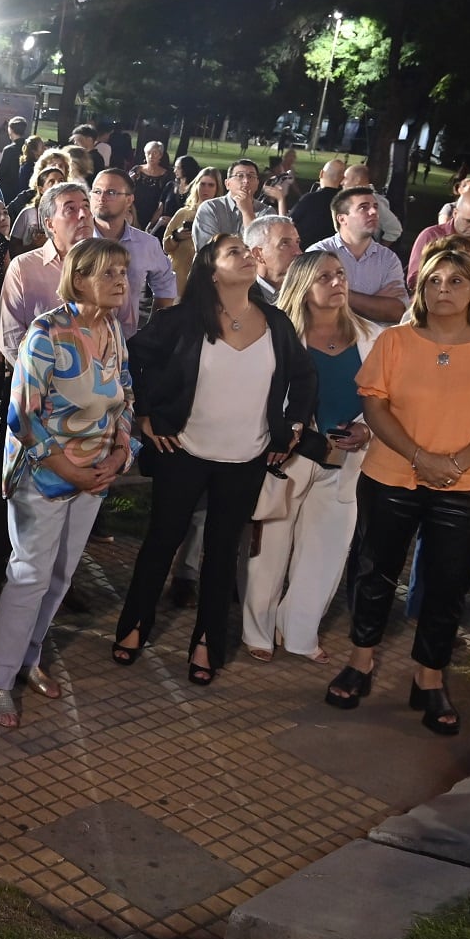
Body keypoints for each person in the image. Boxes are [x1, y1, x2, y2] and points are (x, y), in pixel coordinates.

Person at [325, 242, 470, 734]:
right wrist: (421, 458)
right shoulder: (395, 342)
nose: (444, 289)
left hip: (466, 482)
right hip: (391, 475)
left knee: (448, 583)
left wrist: (456, 462)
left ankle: (430, 675)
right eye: (435, 280)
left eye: (456, 281)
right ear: (421, 287)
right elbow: (375, 407)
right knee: (374, 573)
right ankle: (361, 661)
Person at [113, 233, 317, 684]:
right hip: (183, 451)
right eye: (234, 253)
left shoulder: (276, 322)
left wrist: (294, 428)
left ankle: (208, 642)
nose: (247, 257)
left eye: (248, 251)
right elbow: (132, 357)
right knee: (162, 541)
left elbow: (304, 378)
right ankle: (134, 626)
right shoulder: (182, 319)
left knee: (222, 552)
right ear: (210, 269)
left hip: (246, 457)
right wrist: (145, 414)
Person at [0, 236, 135, 727]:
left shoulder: (113, 329)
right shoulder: (47, 332)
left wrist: (120, 454)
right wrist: (66, 468)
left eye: (123, 273)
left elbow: (125, 397)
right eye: (109, 273)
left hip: (94, 473)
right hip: (43, 476)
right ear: (80, 277)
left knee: (62, 574)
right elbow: (21, 418)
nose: (120, 282)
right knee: (29, 574)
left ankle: (30, 659)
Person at [242, 252, 379, 663]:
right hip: (289, 457)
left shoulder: (372, 336)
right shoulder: (275, 334)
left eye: (340, 275)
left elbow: (386, 398)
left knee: (327, 549)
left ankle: (300, 632)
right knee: (271, 547)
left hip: (346, 459)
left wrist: (367, 428)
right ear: (302, 284)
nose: (336, 282)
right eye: (324, 277)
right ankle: (259, 631)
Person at [89, 170, 177, 338]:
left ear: (129, 200)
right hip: (76, 341)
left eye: (111, 192)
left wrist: (153, 331)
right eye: (97, 191)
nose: (102, 198)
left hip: (125, 343)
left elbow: (165, 287)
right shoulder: (76, 241)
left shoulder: (146, 244)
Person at [307, 186, 409, 324]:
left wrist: (340, 295)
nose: (373, 212)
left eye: (375, 207)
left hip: (375, 344)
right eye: (363, 207)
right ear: (342, 219)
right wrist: (375, 303)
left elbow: (397, 312)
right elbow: (312, 306)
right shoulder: (317, 254)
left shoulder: (388, 259)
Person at [406, 185, 470, 302]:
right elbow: (414, 279)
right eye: (469, 220)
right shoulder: (431, 236)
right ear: (455, 213)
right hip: (430, 303)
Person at [191, 158, 275, 251]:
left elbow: (263, 249)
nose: (246, 180)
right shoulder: (210, 208)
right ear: (227, 184)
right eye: (240, 176)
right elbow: (207, 250)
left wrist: (247, 212)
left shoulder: (267, 212)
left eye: (251, 176)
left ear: (257, 183)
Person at [162, 167, 223, 289]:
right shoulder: (183, 213)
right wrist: (176, 237)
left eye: (211, 185)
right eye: (203, 184)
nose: (205, 189)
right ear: (196, 186)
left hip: (206, 282)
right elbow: (165, 247)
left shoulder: (221, 217)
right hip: (177, 279)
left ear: (217, 189)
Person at [245, 214, 303, 303]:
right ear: (258, 254)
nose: (298, 252)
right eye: (285, 243)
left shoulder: (309, 290)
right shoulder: (242, 298)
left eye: (297, 242)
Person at [289, 159, 346, 248]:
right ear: (342, 179)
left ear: (321, 173)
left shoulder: (309, 200)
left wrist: (280, 199)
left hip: (304, 253)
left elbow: (288, 223)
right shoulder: (345, 203)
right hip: (331, 254)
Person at [129, 141, 175, 230]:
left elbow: (163, 201)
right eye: (148, 153)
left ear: (160, 155)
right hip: (134, 211)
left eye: (155, 153)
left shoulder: (167, 176)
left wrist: (152, 222)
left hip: (154, 213)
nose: (151, 156)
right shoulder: (137, 170)